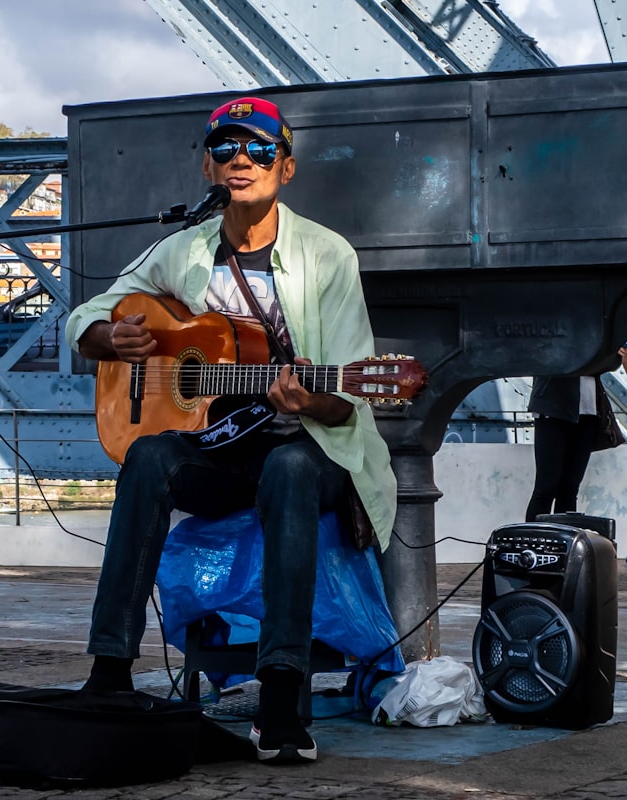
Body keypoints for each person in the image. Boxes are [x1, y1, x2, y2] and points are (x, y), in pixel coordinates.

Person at [65, 96, 397, 764]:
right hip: (222, 453)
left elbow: (350, 406)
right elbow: (90, 315)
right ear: (208, 166)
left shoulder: (327, 256)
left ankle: (280, 696)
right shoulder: (184, 250)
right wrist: (114, 337)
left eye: (259, 150)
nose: (240, 160)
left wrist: (308, 399)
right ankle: (108, 672)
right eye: (225, 150)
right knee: (151, 455)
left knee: (291, 466)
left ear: (287, 166)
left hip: (312, 448)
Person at [524, 347, 627, 522]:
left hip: (587, 412)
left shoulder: (599, 331)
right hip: (552, 408)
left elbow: (613, 363)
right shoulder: (560, 326)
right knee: (546, 487)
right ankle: (533, 542)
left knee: (569, 490)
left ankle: (563, 545)